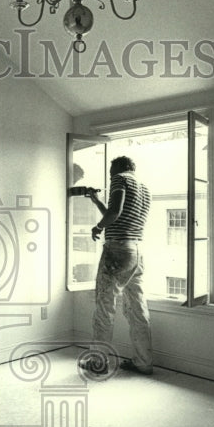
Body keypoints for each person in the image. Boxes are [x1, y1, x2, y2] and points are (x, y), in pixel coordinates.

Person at [84, 155, 153, 376]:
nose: (110, 175)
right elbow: (116, 215)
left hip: (117, 251)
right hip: (136, 252)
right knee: (137, 309)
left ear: (118, 168)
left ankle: (98, 362)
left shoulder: (120, 179)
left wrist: (97, 228)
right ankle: (144, 362)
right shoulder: (144, 188)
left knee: (105, 307)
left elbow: (115, 213)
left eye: (110, 170)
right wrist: (96, 202)